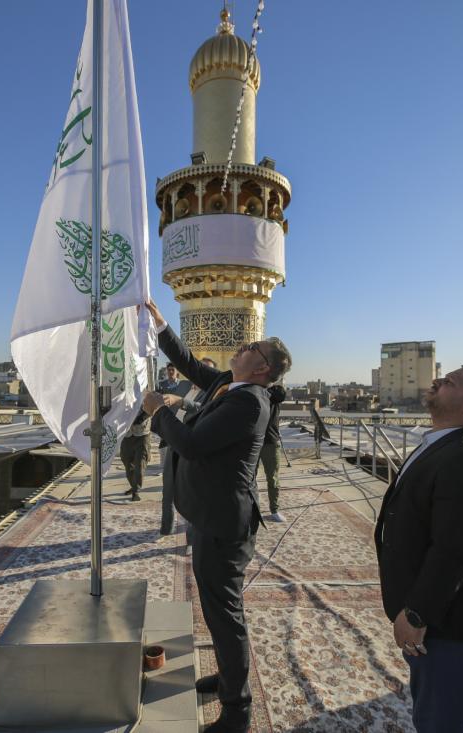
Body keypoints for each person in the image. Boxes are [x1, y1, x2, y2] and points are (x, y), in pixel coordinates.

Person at [142, 300, 292, 733]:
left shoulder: (250, 404)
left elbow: (190, 443)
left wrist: (159, 410)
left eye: (251, 347)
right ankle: (227, 679)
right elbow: (190, 364)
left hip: (224, 526)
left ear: (263, 369)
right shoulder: (231, 384)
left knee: (226, 618)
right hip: (209, 517)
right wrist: (162, 325)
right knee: (215, 609)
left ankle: (236, 711)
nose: (242, 347)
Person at [374, 365, 463, 733]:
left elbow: (453, 550)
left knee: (441, 719)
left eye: (449, 382)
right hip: (446, 611)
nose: (435, 381)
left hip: (450, 617)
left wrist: (417, 614)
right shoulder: (441, 444)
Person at [158, 360, 211, 537]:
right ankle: (166, 529)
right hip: (172, 442)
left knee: (191, 494)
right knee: (168, 490)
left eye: (207, 371)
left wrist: (181, 401)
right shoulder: (183, 386)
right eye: (200, 369)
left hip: (192, 446)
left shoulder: (211, 393)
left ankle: (191, 537)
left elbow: (202, 409)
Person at [259, 384, 287, 521]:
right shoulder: (256, 394)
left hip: (270, 442)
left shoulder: (273, 396)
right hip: (255, 441)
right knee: (248, 478)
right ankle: (251, 508)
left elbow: (281, 394)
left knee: (273, 478)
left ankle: (274, 509)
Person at [119, 408, 151, 501]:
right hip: (126, 434)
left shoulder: (146, 393)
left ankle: (136, 491)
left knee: (140, 464)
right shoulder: (119, 393)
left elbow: (151, 407)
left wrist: (139, 419)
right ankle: (134, 486)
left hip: (142, 434)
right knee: (128, 464)